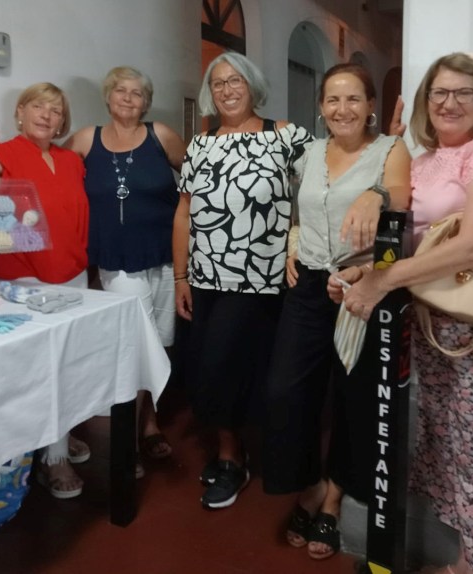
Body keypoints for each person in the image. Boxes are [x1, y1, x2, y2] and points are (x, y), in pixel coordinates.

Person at [329, 53, 473, 574]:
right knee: (445, 441)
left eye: (464, 92)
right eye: (439, 92)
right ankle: (465, 559)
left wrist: (384, 281)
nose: (450, 102)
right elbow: (411, 243)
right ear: (425, 101)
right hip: (428, 324)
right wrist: (361, 272)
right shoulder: (422, 161)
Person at [262, 63, 411, 560]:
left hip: (361, 285)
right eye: (332, 99)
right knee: (285, 389)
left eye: (353, 99)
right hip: (308, 284)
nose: (342, 109)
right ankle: (309, 484)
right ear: (321, 107)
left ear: (370, 106)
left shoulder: (390, 150)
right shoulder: (308, 154)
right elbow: (301, 210)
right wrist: (292, 243)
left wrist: (376, 193)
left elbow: (401, 209)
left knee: (354, 396)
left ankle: (333, 498)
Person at [173, 51, 318, 510]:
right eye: (218, 83)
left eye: (236, 80)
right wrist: (180, 276)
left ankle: (235, 458)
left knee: (235, 368)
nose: (227, 89)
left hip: (261, 279)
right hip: (206, 277)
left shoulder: (286, 135)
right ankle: (231, 451)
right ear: (209, 93)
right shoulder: (200, 144)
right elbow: (184, 213)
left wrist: (298, 244)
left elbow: (324, 187)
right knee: (210, 366)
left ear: (252, 86)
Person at [0, 82, 90, 498]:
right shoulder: (1, 154)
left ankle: (59, 434)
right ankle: (53, 459)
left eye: (56, 111)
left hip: (73, 275)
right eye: (38, 106)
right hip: (24, 281)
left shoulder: (71, 160)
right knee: (42, 370)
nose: (47, 116)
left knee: (70, 364)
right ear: (20, 112)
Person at [65, 66, 186, 475]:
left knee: (161, 342)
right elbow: (54, 174)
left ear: (146, 102)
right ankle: (127, 443)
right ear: (108, 96)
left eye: (137, 93)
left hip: (166, 256)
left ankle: (150, 424)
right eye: (121, 91)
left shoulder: (161, 135)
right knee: (134, 345)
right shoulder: (86, 139)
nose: (129, 98)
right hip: (117, 260)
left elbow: (199, 178)